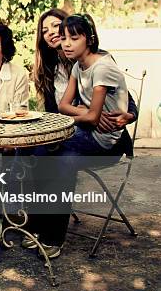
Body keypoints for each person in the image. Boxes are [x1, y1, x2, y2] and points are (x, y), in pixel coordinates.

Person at [26, 14, 131, 258]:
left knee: (60, 160)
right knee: (40, 151)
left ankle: (54, 237)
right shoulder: (73, 65)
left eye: (73, 37)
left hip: (106, 140)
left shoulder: (103, 65)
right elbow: (63, 107)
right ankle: (38, 228)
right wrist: (83, 113)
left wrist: (87, 115)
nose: (66, 43)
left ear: (89, 38)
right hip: (83, 131)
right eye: (64, 38)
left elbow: (96, 118)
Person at [33, 7, 137, 128]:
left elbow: (125, 97)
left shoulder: (93, 59)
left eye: (56, 25)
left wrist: (130, 115)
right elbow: (54, 112)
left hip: (101, 132)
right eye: (44, 31)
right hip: (66, 130)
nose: (50, 32)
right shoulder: (48, 68)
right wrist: (86, 112)